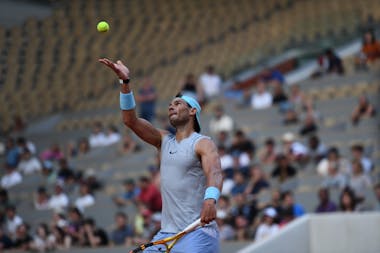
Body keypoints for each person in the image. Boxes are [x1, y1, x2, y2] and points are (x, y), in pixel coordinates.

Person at [99, 58, 223, 253]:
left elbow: (214, 172)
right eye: (170, 104)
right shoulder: (163, 140)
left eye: (178, 103)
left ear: (192, 111)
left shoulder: (203, 142)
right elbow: (130, 120)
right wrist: (125, 83)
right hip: (166, 234)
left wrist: (210, 200)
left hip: (197, 232)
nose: (171, 106)